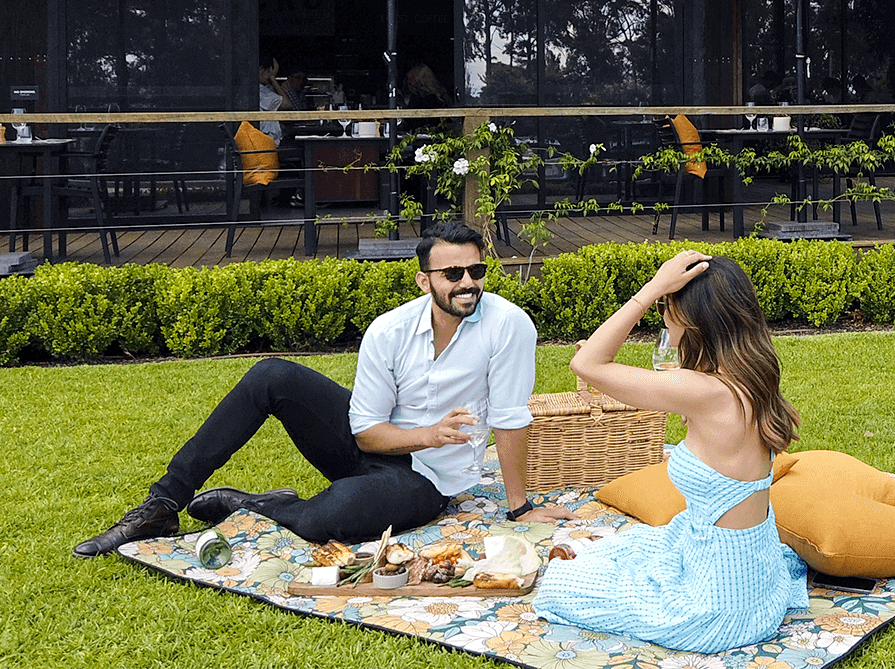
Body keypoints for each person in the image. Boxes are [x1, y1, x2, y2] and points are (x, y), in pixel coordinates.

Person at [72, 221, 575, 558]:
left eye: (476, 270)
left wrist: (520, 506)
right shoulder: (389, 331)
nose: (467, 283)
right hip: (376, 447)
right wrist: (427, 432)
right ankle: (162, 505)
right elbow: (365, 435)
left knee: (324, 520)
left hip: (428, 482)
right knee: (271, 374)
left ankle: (254, 505)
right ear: (424, 281)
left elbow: (511, 416)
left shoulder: (509, 326)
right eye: (452, 273)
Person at [534, 251, 809, 653]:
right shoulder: (750, 373)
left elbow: (587, 363)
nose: (664, 313)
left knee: (563, 583)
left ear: (693, 317)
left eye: (667, 306)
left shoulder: (704, 392)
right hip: (752, 574)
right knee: (629, 545)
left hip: (719, 606)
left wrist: (652, 289)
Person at [257, 56, 289, 143]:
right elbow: (286, 104)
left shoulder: (265, 87)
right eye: (271, 73)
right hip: (265, 140)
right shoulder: (259, 89)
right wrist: (273, 80)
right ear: (262, 69)